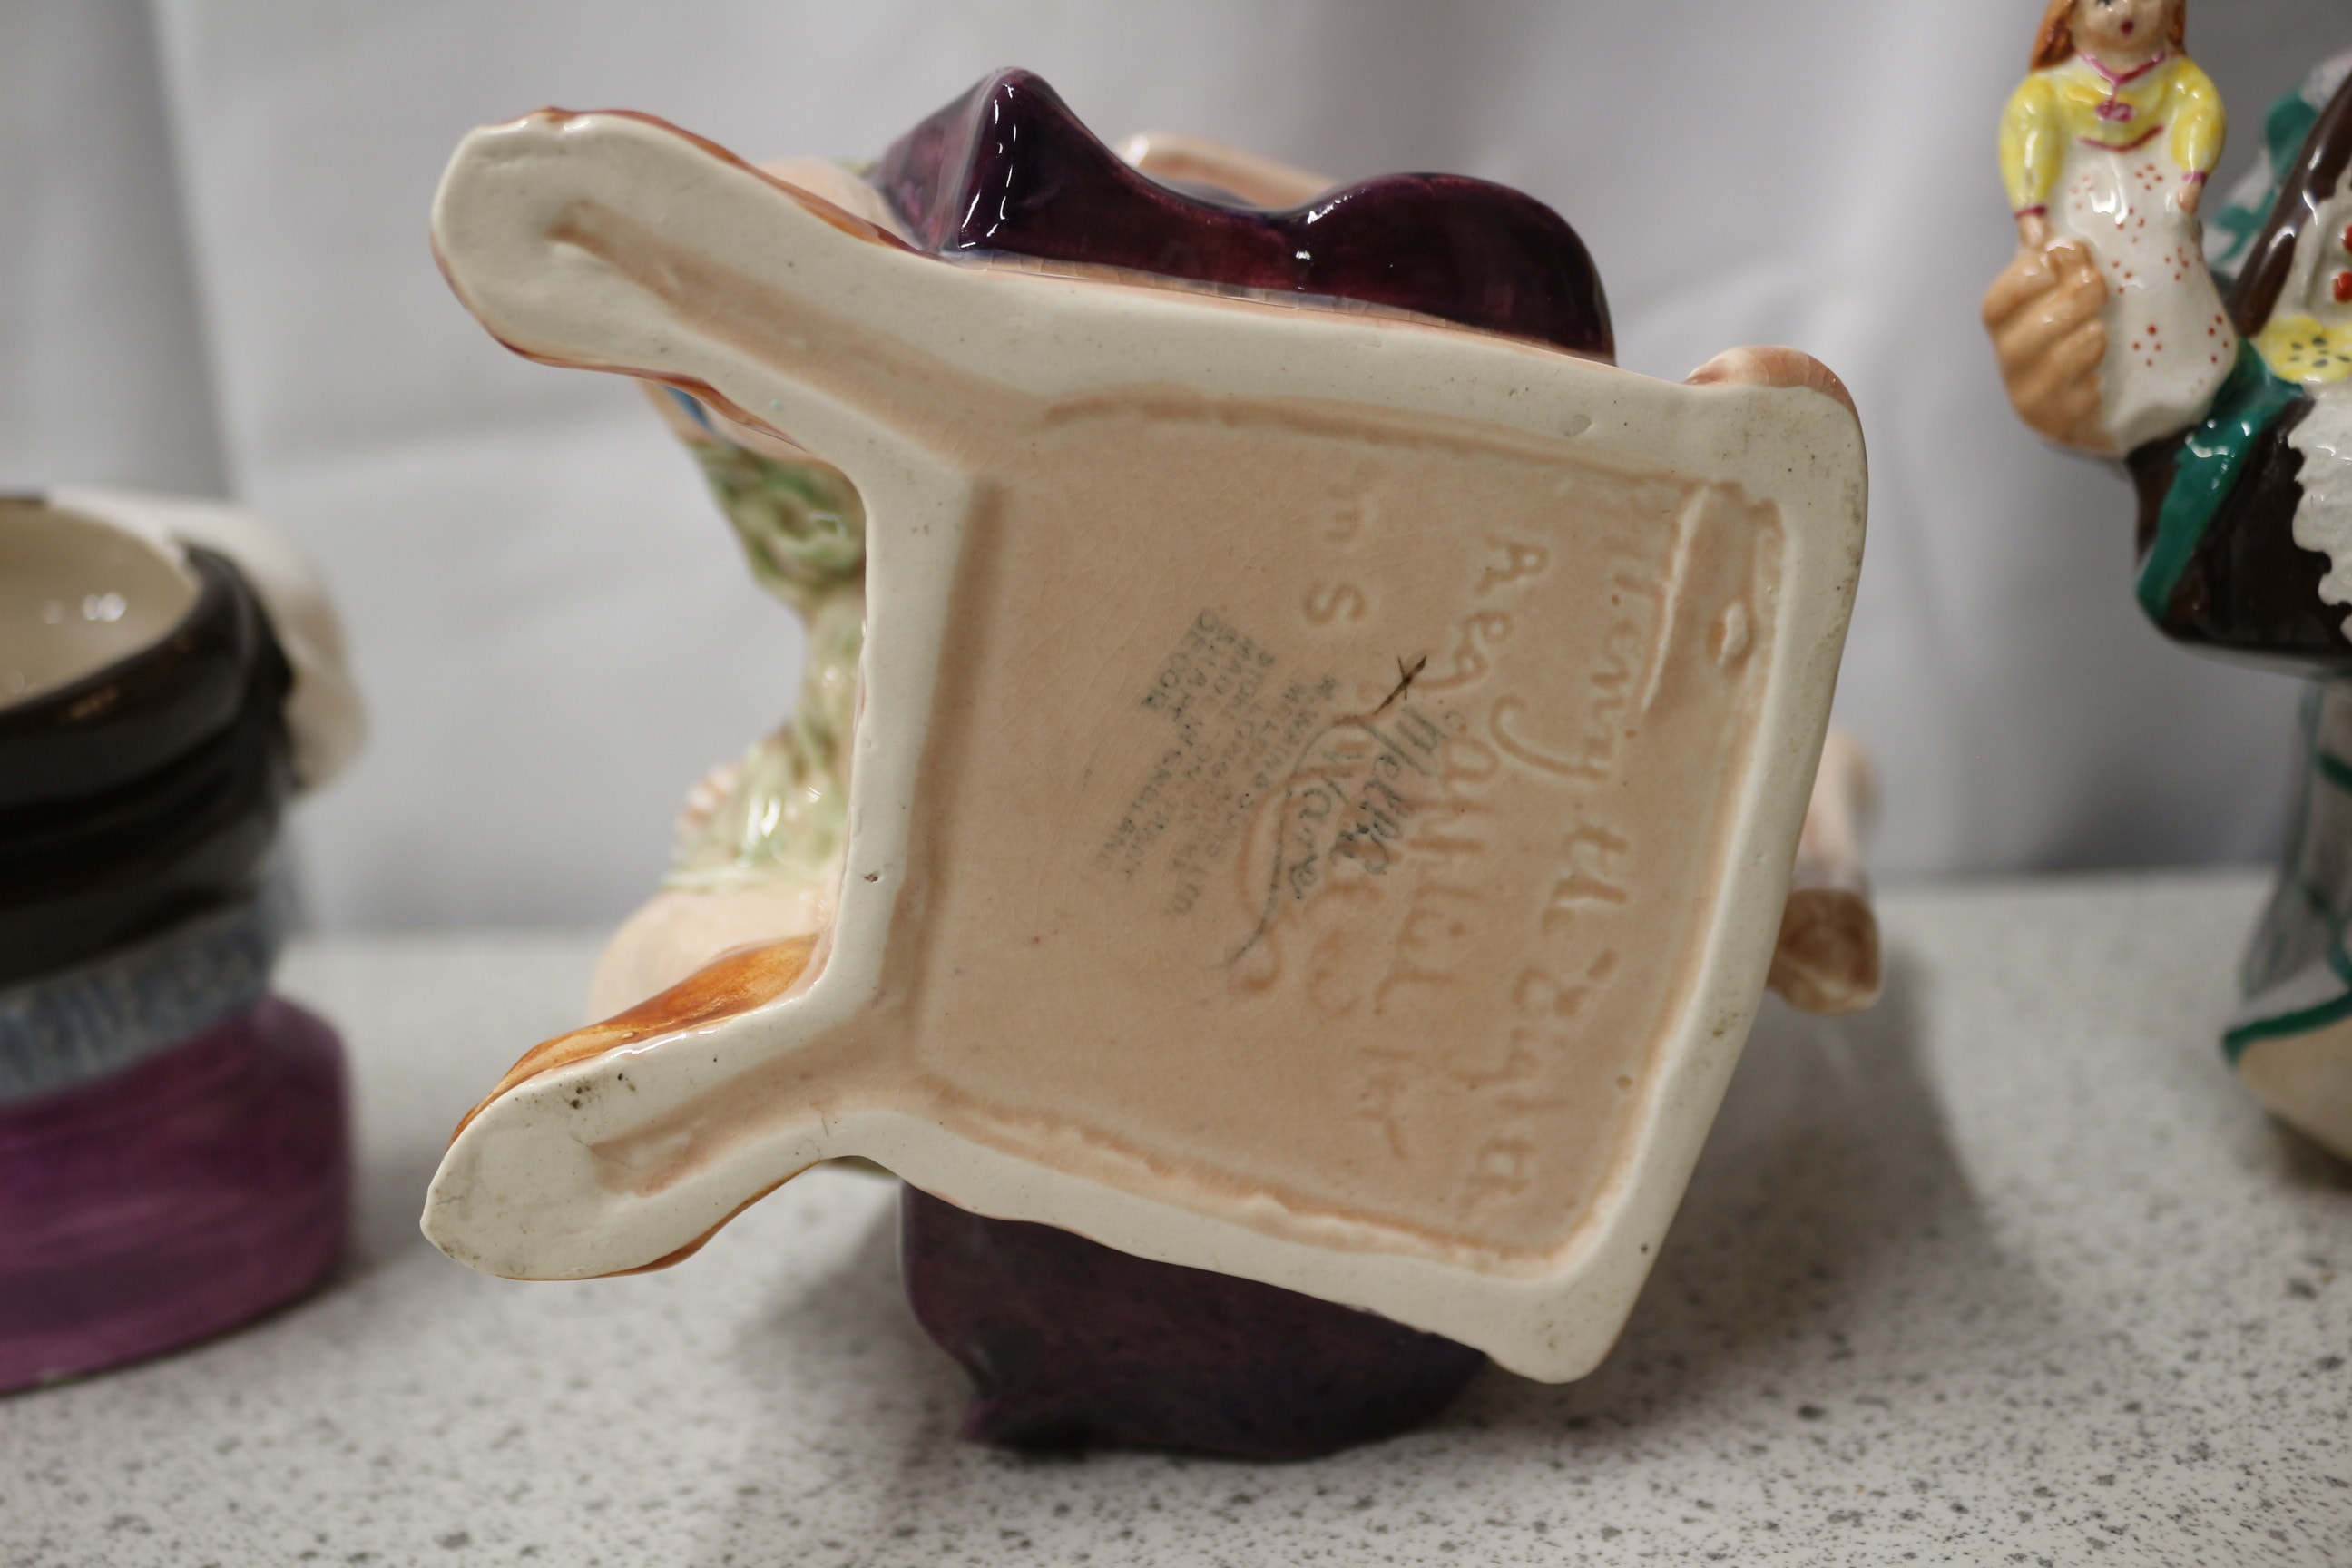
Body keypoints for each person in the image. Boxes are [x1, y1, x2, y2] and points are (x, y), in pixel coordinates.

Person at [1995, 0, 2230, 455]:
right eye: (2104, 0)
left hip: (2155, 207)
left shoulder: (2175, 79)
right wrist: (2031, 209)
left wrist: (2191, 174)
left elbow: (2200, 113)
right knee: (2101, 297)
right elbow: (2029, 131)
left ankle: (2189, 379)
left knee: (2167, 284)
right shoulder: (2053, 87)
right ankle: (2116, 398)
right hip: (2085, 207)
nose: (2127, 10)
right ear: (2070, 16)